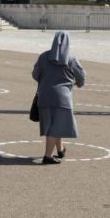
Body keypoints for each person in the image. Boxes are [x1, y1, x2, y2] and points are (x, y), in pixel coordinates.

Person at [32, 31, 86, 164]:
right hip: (62, 98)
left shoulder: (43, 57)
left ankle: (60, 149)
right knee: (55, 128)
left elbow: (35, 74)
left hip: (44, 96)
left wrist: (46, 79)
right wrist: (75, 83)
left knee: (54, 126)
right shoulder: (71, 59)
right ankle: (47, 156)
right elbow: (82, 78)